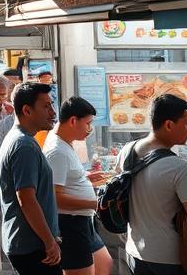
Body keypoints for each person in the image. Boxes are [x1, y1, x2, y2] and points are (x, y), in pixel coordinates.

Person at [114, 94, 187, 275]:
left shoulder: (126, 150)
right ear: (169, 125)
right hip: (168, 258)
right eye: (186, 123)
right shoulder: (178, 167)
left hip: (134, 251)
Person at [43, 97, 112, 275]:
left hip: (83, 221)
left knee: (104, 263)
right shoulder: (57, 151)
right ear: (73, 121)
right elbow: (55, 198)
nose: (90, 129)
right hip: (70, 224)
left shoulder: (64, 142)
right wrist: (94, 204)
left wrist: (86, 177)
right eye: (88, 123)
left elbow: (65, 178)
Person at [0, 82, 61, 275]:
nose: (53, 112)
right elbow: (26, 198)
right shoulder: (23, 145)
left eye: (52, 105)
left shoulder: (22, 139)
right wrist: (49, 241)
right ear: (27, 110)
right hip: (32, 246)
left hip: (28, 243)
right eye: (46, 106)